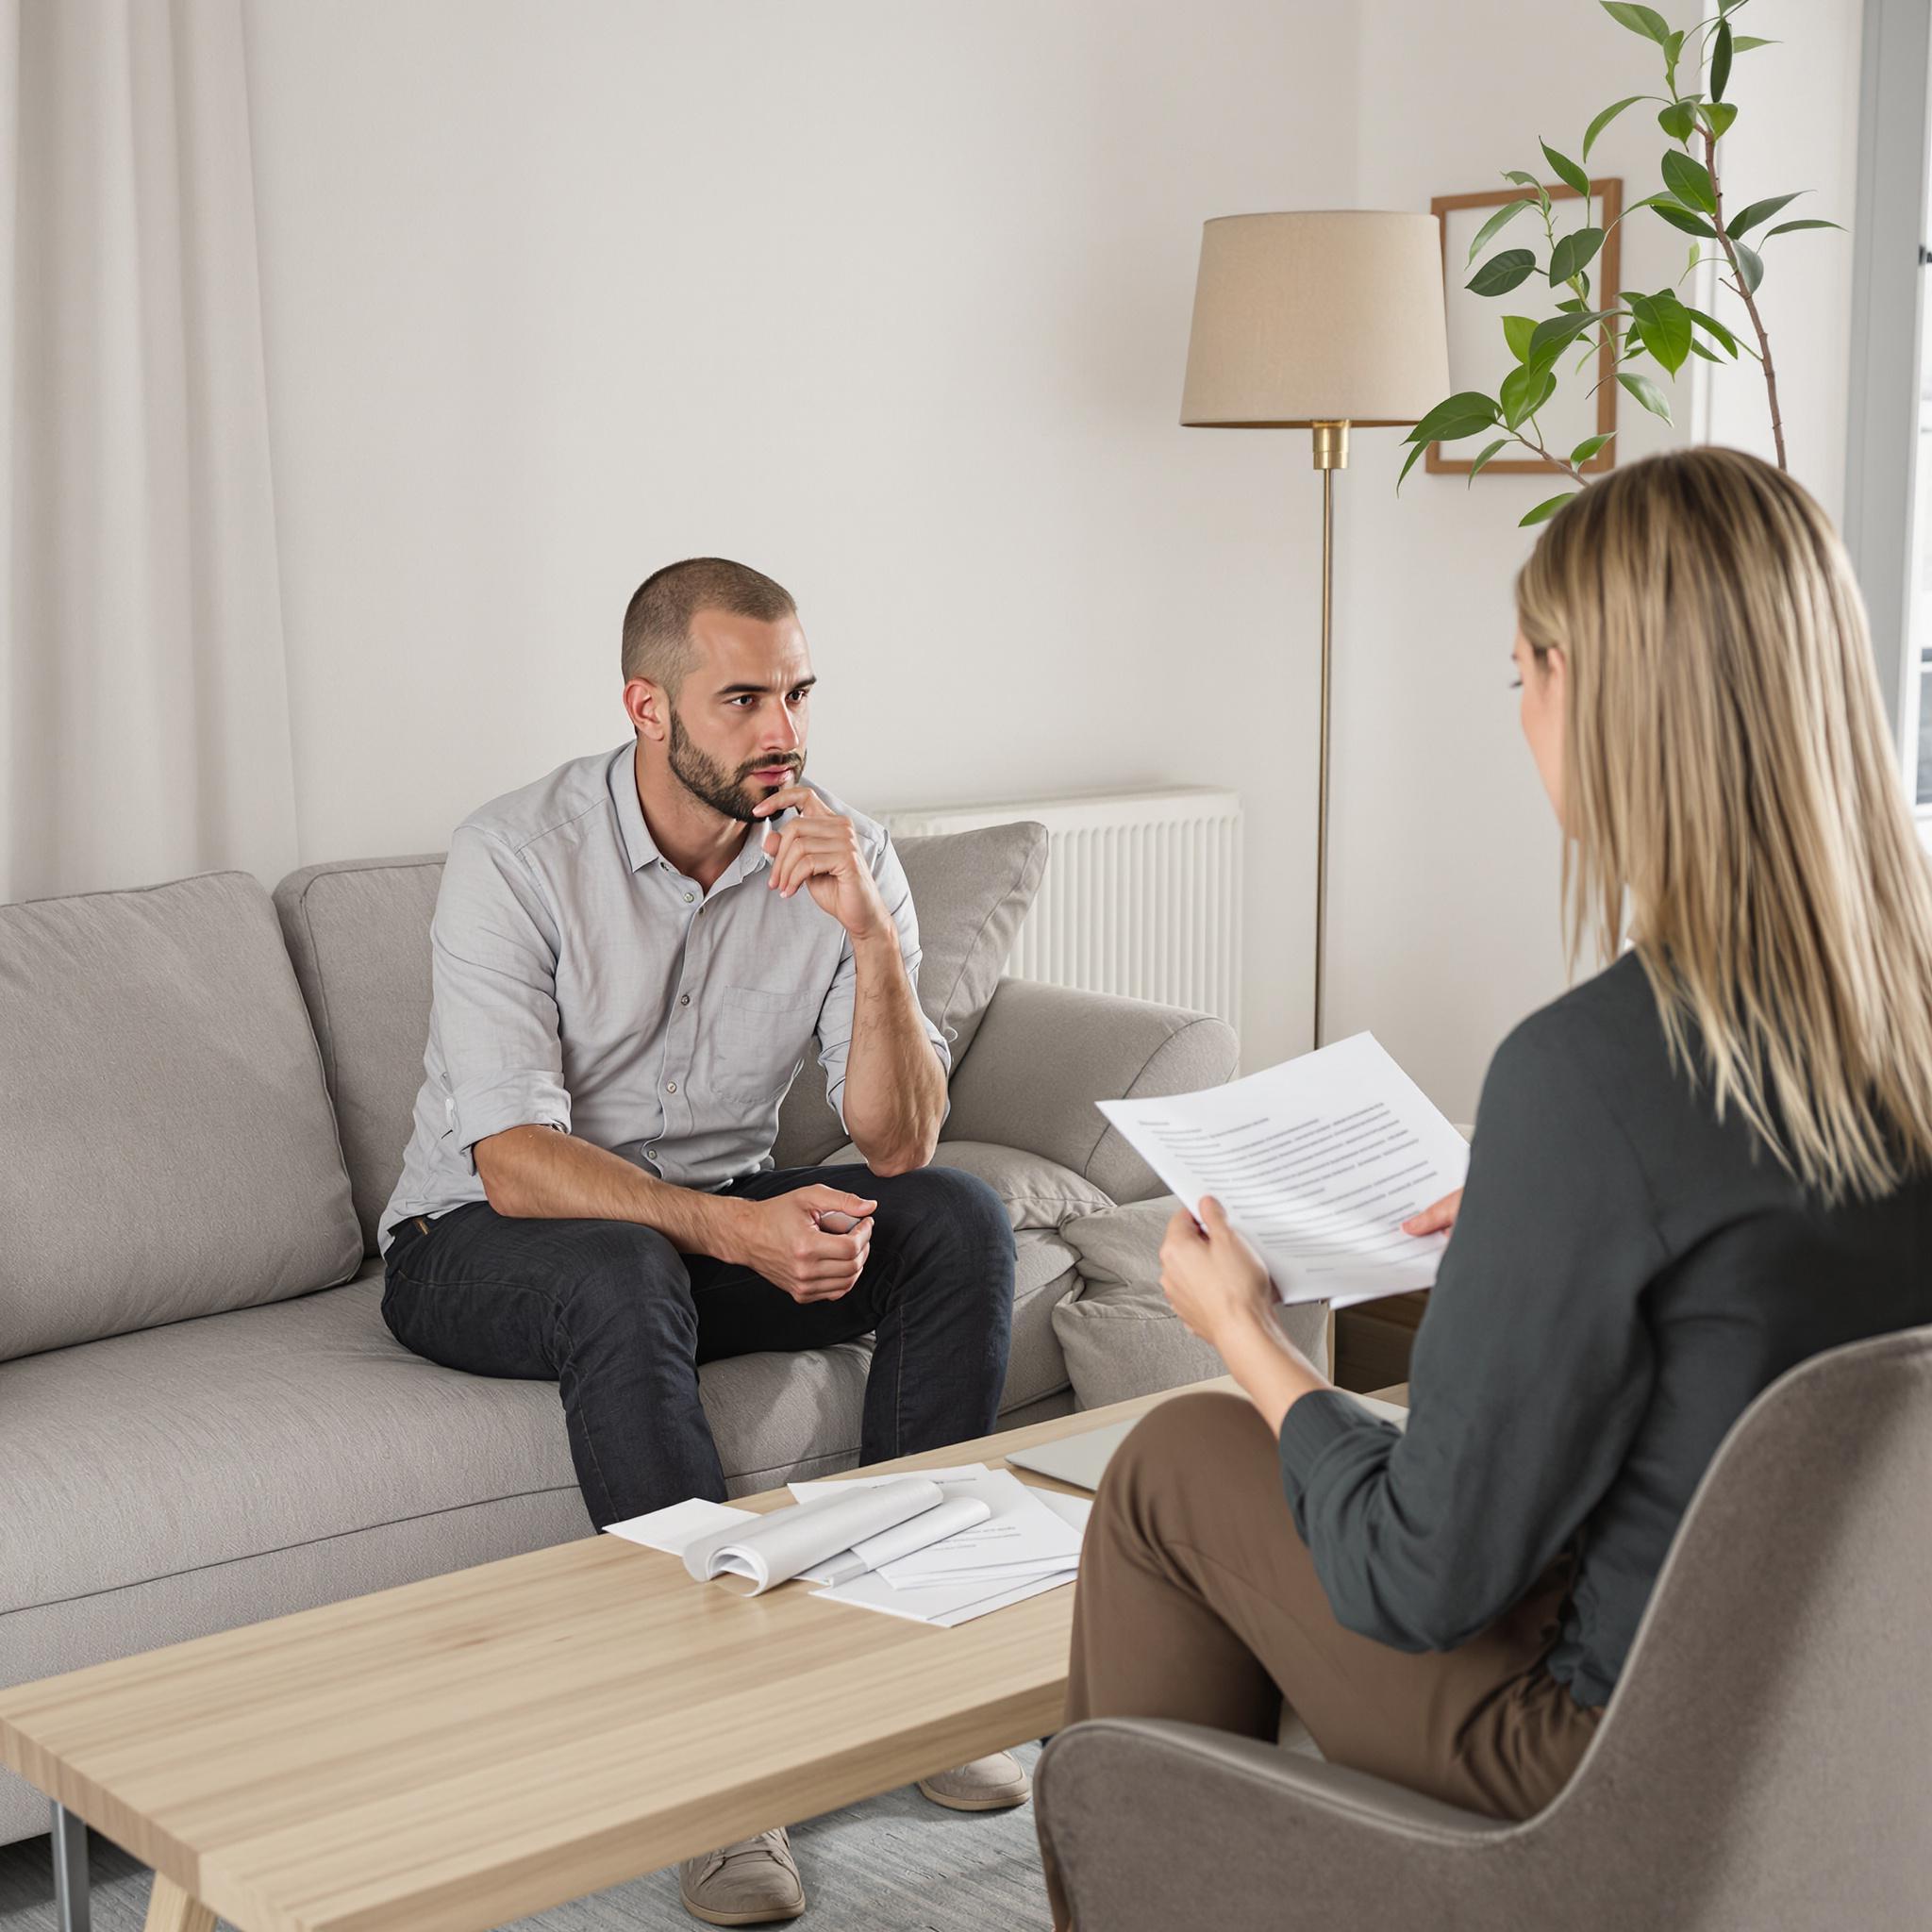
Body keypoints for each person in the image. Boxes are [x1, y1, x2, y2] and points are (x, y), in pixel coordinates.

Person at [1041, 445, 1932, 1926]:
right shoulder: (1893, 1028)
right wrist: (1533, 1227)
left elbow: (1417, 1577)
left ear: (1602, 691)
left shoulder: (1601, 1071)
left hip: (1611, 1776)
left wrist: (1243, 1331)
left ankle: (1157, 1866)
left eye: (1522, 669)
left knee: (1170, 1469)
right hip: (1844, 1750)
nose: (1517, 711)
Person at [378, 557, 1028, 1927]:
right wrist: (737, 1230)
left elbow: (898, 1143)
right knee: (622, 1268)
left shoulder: (847, 857)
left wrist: (874, 948)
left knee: (957, 1218)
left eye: (796, 692)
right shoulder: (515, 854)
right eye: (743, 697)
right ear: (647, 708)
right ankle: (725, 1771)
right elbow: (512, 1159)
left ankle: (923, 1688)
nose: (783, 729)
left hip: (694, 1229)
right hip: (480, 1239)